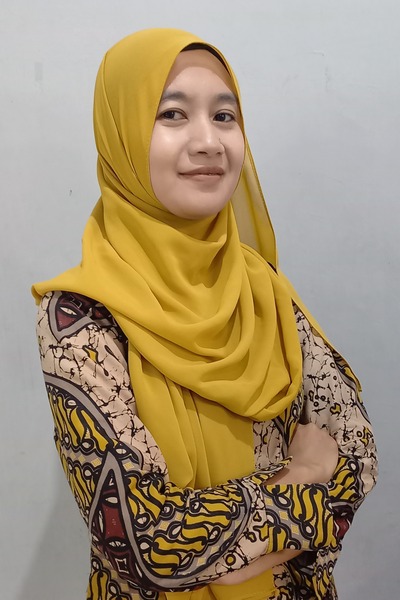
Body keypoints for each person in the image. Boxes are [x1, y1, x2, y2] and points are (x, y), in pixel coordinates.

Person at [32, 28, 377, 600]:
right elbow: (145, 544)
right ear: (121, 134)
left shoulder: (261, 289)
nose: (209, 142)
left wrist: (228, 547)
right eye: (172, 114)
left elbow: (357, 453)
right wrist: (303, 477)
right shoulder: (79, 319)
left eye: (224, 116)